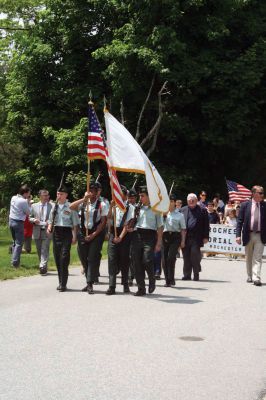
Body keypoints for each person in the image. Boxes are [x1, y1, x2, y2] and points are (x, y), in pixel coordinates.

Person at [69, 182, 108, 294]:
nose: (92, 193)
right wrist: (83, 199)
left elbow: (103, 222)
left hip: (96, 233)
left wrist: (94, 234)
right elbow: (71, 206)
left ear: (97, 192)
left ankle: (89, 283)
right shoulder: (83, 203)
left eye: (94, 191)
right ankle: (89, 279)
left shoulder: (102, 204)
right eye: (90, 190)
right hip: (83, 232)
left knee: (92, 257)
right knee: (83, 257)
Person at [130, 186, 163, 296]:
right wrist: (130, 226)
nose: (140, 198)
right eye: (140, 196)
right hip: (137, 235)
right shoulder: (137, 208)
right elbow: (132, 222)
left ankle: (152, 279)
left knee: (147, 260)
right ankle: (141, 288)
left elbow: (160, 227)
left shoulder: (156, 209)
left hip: (150, 236)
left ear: (149, 197)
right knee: (136, 262)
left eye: (143, 196)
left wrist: (159, 242)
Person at [47, 185, 79, 292]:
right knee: (57, 257)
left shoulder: (71, 207)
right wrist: (49, 227)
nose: (58, 196)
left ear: (66, 195)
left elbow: (75, 223)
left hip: (66, 233)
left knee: (64, 257)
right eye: (57, 194)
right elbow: (50, 220)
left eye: (61, 194)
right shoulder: (54, 207)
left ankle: (63, 284)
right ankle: (60, 281)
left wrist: (74, 236)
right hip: (57, 232)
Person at [106, 186, 135, 295]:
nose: (117, 195)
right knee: (112, 259)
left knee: (124, 260)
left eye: (119, 193)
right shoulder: (114, 206)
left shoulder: (130, 208)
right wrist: (110, 207)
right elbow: (109, 218)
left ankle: (125, 284)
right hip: (114, 233)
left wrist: (121, 237)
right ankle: (111, 286)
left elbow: (127, 225)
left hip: (124, 235)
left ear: (125, 195)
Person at [236, 185, 266, 286]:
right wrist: (238, 235)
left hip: (260, 235)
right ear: (253, 193)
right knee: (249, 256)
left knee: (257, 257)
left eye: (262, 193)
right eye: (260, 193)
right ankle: (249, 275)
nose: (262, 195)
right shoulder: (245, 205)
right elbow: (239, 221)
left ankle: (256, 277)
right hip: (248, 234)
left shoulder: (264, 205)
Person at [180, 193, 209, 281]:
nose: (191, 201)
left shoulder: (202, 210)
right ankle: (187, 275)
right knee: (186, 256)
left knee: (194, 256)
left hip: (197, 237)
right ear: (187, 201)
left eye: (193, 200)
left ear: (196, 201)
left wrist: (206, 236)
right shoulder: (182, 210)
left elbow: (206, 225)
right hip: (185, 237)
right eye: (189, 200)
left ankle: (196, 274)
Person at [162, 194, 186, 287]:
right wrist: (163, 216)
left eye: (171, 201)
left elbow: (183, 229)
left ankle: (171, 278)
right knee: (164, 260)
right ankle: (167, 280)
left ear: (175, 203)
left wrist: (183, 241)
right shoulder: (163, 213)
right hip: (165, 236)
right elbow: (159, 226)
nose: (170, 203)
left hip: (175, 236)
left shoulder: (180, 215)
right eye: (168, 201)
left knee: (171, 257)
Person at [29, 190, 52, 275]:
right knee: (39, 250)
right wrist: (34, 220)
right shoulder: (34, 206)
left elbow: (54, 217)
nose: (47, 197)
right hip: (37, 230)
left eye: (47, 195)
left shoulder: (52, 206)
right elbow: (29, 217)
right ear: (40, 196)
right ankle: (43, 266)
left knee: (44, 249)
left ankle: (42, 266)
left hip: (47, 230)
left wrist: (49, 222)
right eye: (45, 195)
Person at [9, 184, 31, 268]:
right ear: (25, 193)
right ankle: (15, 262)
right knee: (19, 243)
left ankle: (15, 262)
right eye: (28, 193)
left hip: (11, 221)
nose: (29, 195)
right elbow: (28, 212)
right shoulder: (23, 201)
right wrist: (28, 202)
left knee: (15, 242)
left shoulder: (13, 197)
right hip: (18, 223)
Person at [127, 188, 138, 286]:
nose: (131, 199)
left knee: (131, 256)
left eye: (133, 197)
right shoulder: (124, 207)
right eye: (129, 197)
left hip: (134, 234)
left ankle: (130, 277)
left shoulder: (138, 208)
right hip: (124, 233)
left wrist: (133, 229)